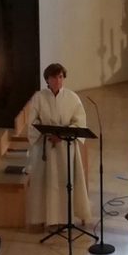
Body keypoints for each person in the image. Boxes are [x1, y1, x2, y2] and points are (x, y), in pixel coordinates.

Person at [27, 63, 91, 229]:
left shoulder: (72, 97)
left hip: (66, 148)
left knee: (66, 181)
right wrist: (49, 133)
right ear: (47, 79)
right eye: (54, 77)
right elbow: (33, 122)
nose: (58, 80)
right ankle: (47, 218)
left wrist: (62, 135)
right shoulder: (39, 98)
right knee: (47, 183)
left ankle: (66, 217)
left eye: (61, 77)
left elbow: (79, 122)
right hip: (46, 147)